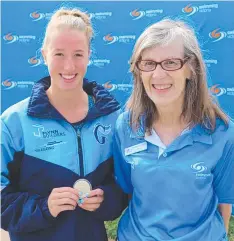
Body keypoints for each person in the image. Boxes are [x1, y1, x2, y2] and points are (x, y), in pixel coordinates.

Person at [1, 7, 127, 241]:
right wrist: (44, 207)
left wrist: (105, 199)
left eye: (78, 54)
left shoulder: (113, 119)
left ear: (89, 55)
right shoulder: (14, 122)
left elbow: (123, 186)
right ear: (44, 55)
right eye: (59, 54)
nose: (69, 66)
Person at [113, 18, 234, 241]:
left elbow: (224, 203)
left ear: (192, 68)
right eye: (148, 63)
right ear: (138, 70)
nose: (158, 75)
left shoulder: (222, 133)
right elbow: (129, 193)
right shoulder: (126, 126)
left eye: (170, 62)